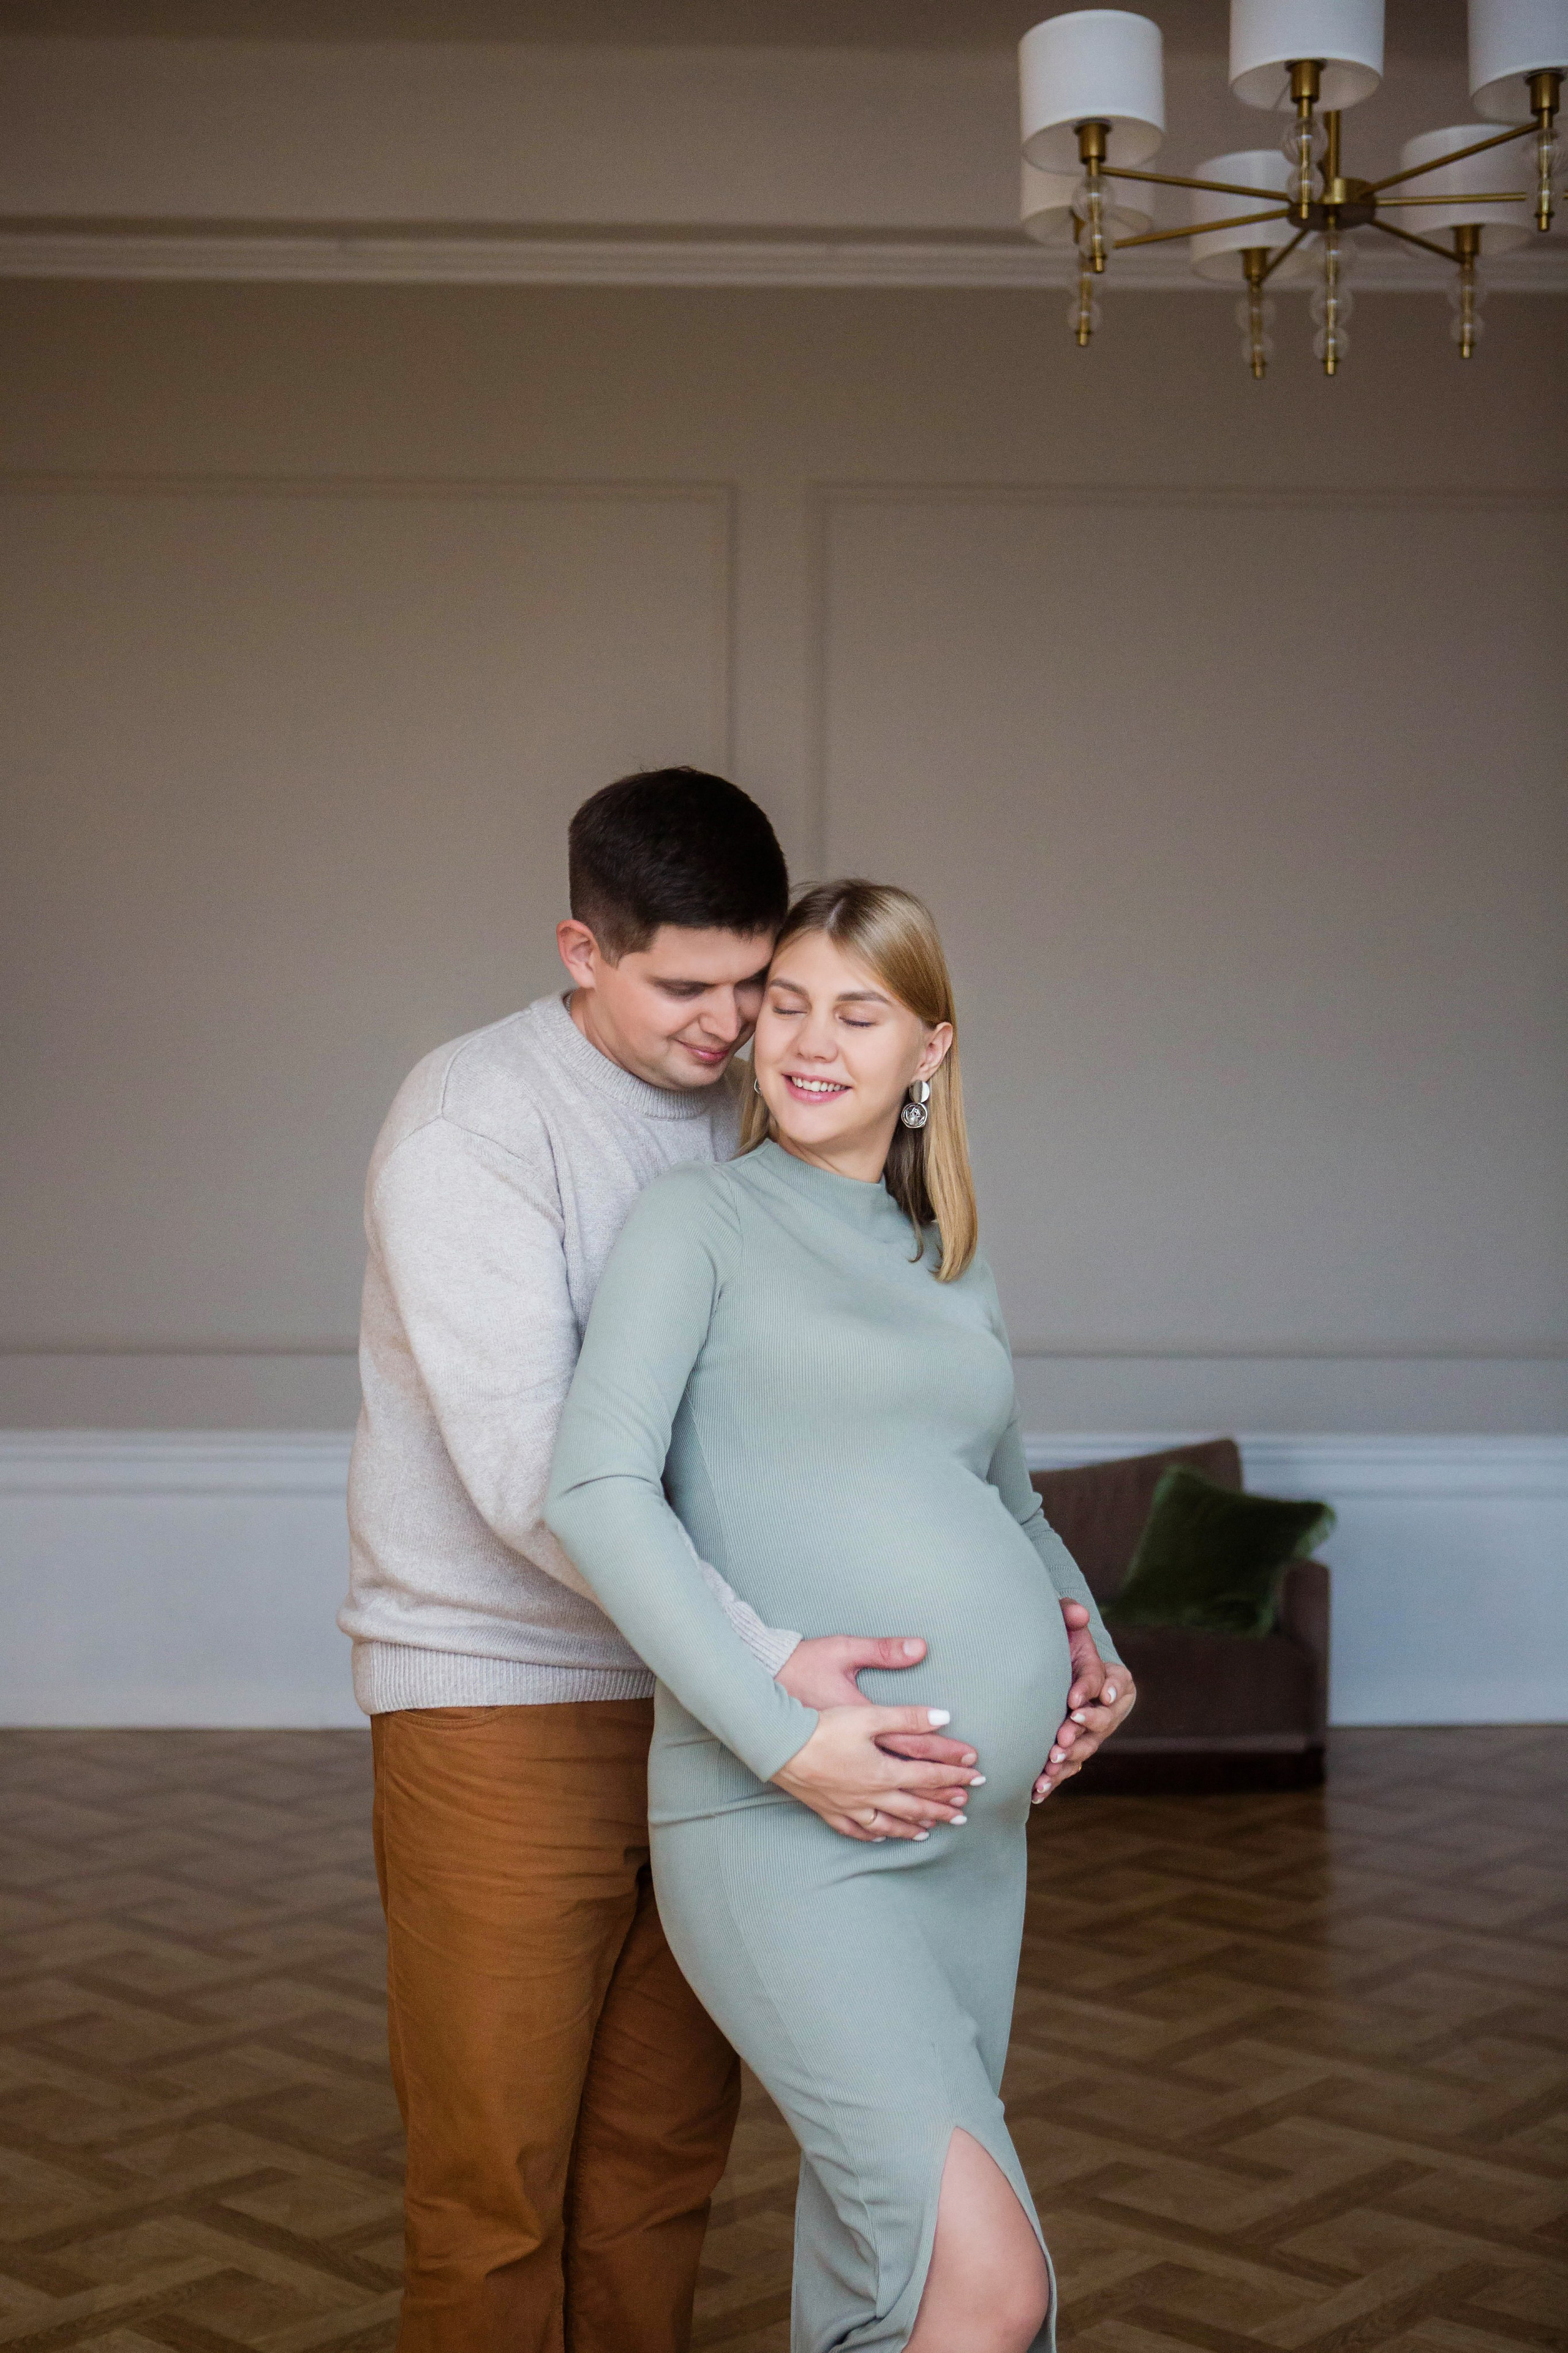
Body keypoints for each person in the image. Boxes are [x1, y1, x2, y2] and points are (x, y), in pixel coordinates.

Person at [340, 774, 1044, 2353]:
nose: (735, 1026)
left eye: (760, 984)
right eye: (689, 988)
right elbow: (543, 1476)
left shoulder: (761, 1116)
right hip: (513, 1699)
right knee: (496, 2179)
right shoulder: (475, 1121)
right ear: (582, 949)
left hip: (718, 1717)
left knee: (660, 2168)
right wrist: (765, 1670)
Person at [547, 879, 1136, 2353]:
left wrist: (1088, 1639)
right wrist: (778, 1735)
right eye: (785, 1003)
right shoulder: (696, 1221)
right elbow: (596, 1490)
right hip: (782, 1820)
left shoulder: (949, 1262)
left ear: (927, 1048)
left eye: (855, 1013)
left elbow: (1006, 1503)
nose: (804, 1042)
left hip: (965, 1846)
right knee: (986, 2282)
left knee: (895, 2274)